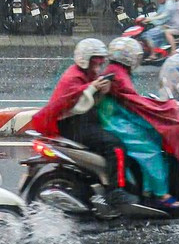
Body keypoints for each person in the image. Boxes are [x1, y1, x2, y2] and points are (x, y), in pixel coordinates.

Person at [98, 38, 179, 211]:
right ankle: (161, 195)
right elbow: (133, 100)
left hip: (117, 116)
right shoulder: (118, 74)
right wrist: (164, 108)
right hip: (115, 121)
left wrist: (158, 104)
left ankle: (147, 188)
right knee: (150, 149)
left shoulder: (116, 70)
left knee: (155, 137)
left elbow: (132, 98)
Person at [30, 38, 137, 206]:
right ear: (85, 60)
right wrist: (93, 87)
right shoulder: (73, 77)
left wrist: (101, 89)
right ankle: (115, 191)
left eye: (101, 62)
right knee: (116, 147)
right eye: (96, 62)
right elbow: (75, 103)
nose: (99, 67)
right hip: (74, 125)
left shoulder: (85, 76)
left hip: (83, 122)